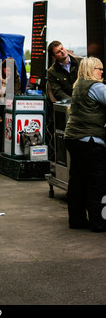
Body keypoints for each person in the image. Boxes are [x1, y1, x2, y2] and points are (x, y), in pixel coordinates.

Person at [64, 57, 106, 232]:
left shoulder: (78, 86)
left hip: (73, 138)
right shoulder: (96, 87)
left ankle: (77, 220)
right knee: (97, 183)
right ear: (91, 69)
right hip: (91, 140)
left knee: (77, 181)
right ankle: (99, 222)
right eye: (99, 68)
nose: (102, 71)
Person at [0, 57, 21, 152]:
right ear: (2, 68)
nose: (8, 73)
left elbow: (16, 91)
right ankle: (0, 147)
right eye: (7, 70)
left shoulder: (16, 77)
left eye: (10, 71)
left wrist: (7, 93)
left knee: (8, 126)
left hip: (9, 104)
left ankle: (7, 148)